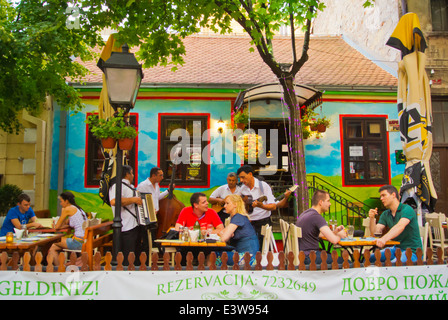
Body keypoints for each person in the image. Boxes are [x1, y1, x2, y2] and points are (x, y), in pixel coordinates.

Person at [368, 185, 422, 264]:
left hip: (412, 251)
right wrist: (372, 218)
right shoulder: (386, 214)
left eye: (384, 195)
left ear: (393, 195)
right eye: (380, 196)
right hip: (396, 249)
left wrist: (384, 239)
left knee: (393, 264)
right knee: (369, 258)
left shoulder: (407, 209)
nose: (381, 198)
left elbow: (400, 226)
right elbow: (375, 232)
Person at [295, 189, 347, 265]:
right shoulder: (316, 217)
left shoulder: (306, 213)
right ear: (321, 202)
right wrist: (340, 235)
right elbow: (334, 240)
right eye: (328, 201)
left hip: (303, 255)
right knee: (346, 262)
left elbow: (319, 234)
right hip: (310, 257)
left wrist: (335, 231)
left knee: (330, 255)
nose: (330, 204)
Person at [109, 165, 143, 265]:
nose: (133, 176)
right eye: (132, 173)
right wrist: (133, 199)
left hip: (134, 225)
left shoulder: (130, 187)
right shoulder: (117, 186)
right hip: (126, 226)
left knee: (135, 254)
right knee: (127, 256)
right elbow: (114, 201)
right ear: (127, 174)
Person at [237, 165, 276, 247]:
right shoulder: (242, 189)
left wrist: (262, 206)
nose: (241, 180)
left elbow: (273, 206)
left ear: (250, 174)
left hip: (263, 222)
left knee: (264, 249)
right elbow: (237, 203)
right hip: (248, 223)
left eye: (243, 177)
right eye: (240, 178)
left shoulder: (263, 186)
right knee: (249, 248)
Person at [48, 192, 88, 265]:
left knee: (52, 245)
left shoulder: (68, 209)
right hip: (85, 240)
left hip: (78, 242)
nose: (60, 204)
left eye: (61, 201)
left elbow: (57, 227)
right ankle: (61, 266)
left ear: (66, 201)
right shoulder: (78, 208)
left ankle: (60, 269)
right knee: (56, 243)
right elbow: (67, 224)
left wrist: (62, 212)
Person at [218, 194, 259, 265]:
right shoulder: (238, 217)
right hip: (247, 256)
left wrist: (225, 234)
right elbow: (223, 232)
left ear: (235, 204)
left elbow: (223, 238)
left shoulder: (238, 217)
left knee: (214, 255)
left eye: (227, 203)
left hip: (248, 258)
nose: (224, 206)